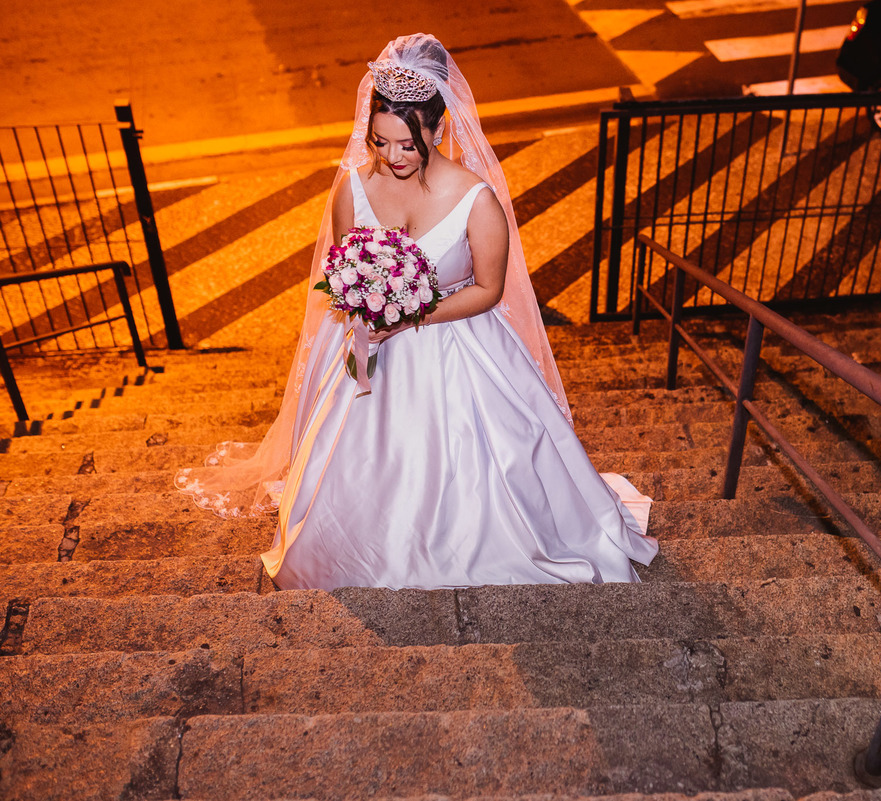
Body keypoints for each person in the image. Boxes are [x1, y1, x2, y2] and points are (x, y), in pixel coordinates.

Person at [176, 33, 657, 590]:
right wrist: (363, 311)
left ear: (437, 129)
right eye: (381, 142)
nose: (393, 157)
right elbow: (341, 270)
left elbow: (489, 289)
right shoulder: (351, 190)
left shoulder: (476, 199)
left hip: (457, 346)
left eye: (408, 144)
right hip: (367, 344)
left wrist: (413, 315)